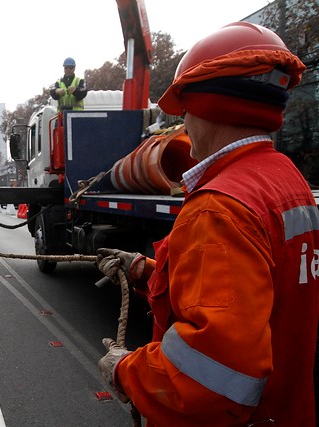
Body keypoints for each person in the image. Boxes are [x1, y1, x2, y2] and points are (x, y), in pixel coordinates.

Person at [95, 22, 317, 426]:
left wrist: (126, 371)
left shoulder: (217, 209)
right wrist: (145, 270)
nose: (183, 126)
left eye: (184, 112)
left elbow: (207, 379)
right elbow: (262, 294)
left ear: (208, 108)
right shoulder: (286, 180)